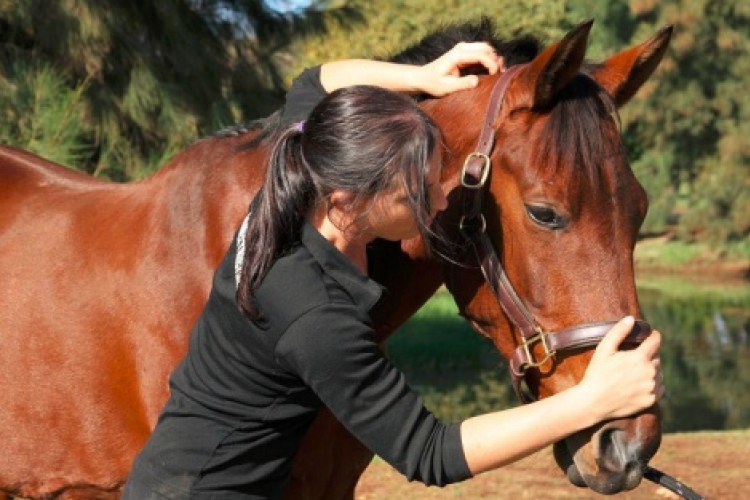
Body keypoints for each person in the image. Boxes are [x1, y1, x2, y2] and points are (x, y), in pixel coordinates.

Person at [123, 42, 663, 499]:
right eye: (420, 190)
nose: (439, 200)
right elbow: (427, 451)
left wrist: (423, 77)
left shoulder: (306, 160)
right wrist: (588, 403)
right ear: (352, 198)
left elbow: (317, 79)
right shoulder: (312, 310)